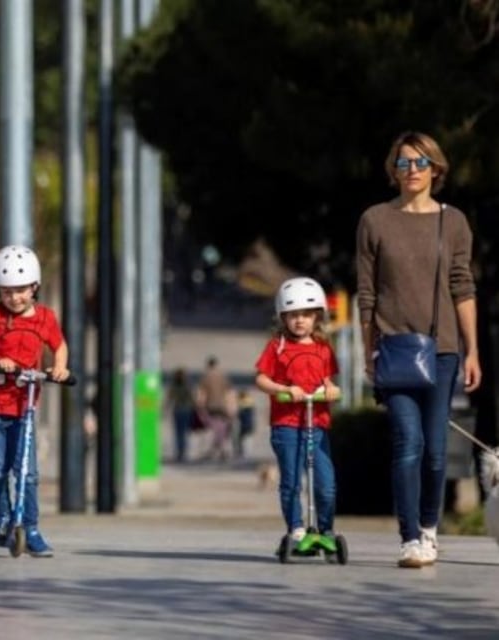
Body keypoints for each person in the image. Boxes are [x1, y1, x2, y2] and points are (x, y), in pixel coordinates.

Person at [356, 131, 481, 568]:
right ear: (393, 169)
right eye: (404, 162)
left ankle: (429, 527)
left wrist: (472, 350)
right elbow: (366, 293)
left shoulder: (454, 222)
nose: (412, 171)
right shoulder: (374, 220)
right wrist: (366, 347)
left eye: (421, 162)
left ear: (437, 169)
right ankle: (409, 537)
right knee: (407, 441)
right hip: (393, 348)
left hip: (443, 349)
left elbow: (463, 287)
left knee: (435, 449)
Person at [0, 245, 70, 558]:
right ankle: (2, 520)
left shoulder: (45, 318)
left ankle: (31, 528)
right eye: (7, 292)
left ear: (35, 287)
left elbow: (59, 345)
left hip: (22, 408)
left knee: (27, 472)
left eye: (21, 291)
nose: (14, 298)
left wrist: (59, 367)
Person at [254, 277, 340, 546]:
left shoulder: (323, 348)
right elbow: (261, 379)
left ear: (317, 317)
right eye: (293, 315)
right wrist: (285, 389)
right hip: (286, 424)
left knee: (325, 485)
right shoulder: (277, 346)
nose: (299, 321)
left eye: (305, 315)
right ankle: (296, 527)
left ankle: (325, 530)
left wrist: (331, 390)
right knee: (291, 482)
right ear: (283, 317)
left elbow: (329, 381)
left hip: (317, 423)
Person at [195, 356, 235, 462]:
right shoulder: (223, 376)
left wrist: (199, 406)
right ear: (216, 365)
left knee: (215, 428)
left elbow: (202, 393)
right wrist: (231, 407)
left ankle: (218, 449)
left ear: (208, 365)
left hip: (211, 406)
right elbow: (229, 393)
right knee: (221, 427)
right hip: (222, 406)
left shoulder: (206, 377)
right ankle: (222, 449)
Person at [168, 368, 194, 463]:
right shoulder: (188, 385)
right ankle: (184, 452)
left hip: (177, 410)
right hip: (186, 410)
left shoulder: (174, 386)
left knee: (178, 433)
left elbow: (170, 398)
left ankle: (179, 452)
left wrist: (164, 409)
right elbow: (192, 398)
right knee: (184, 432)